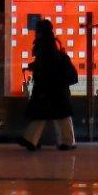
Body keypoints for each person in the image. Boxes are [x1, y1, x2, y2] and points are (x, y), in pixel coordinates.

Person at [18, 19, 79, 151]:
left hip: (48, 87)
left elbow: (46, 64)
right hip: (57, 87)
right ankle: (67, 141)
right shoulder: (52, 43)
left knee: (42, 114)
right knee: (61, 115)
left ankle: (31, 140)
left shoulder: (44, 45)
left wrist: (33, 67)